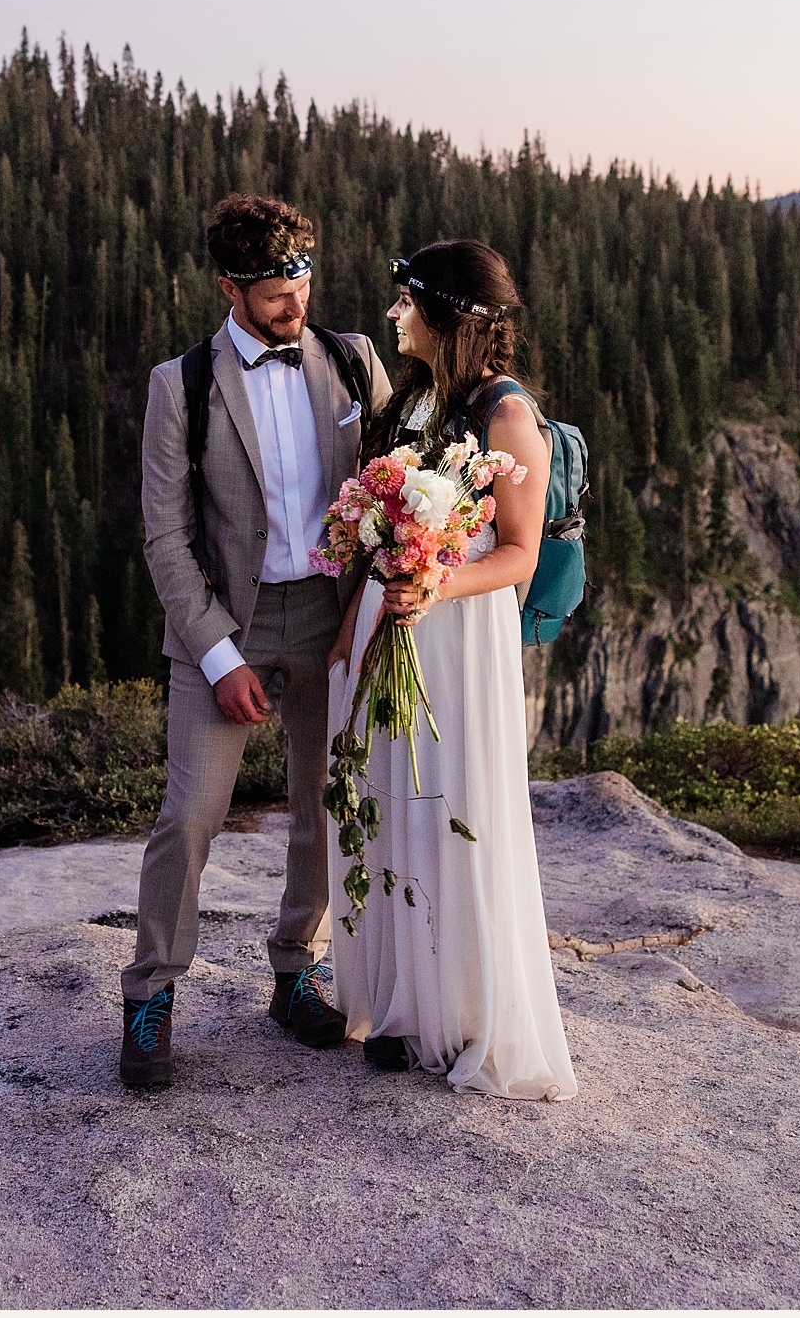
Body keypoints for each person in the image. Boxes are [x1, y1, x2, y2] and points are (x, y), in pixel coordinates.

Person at [123, 193, 391, 1091]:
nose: (295, 304)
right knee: (191, 813)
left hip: (330, 613)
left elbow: (399, 477)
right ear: (230, 285)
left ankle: (295, 967)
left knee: (322, 805)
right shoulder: (182, 383)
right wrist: (217, 654)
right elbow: (163, 535)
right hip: (225, 625)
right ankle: (152, 991)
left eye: (303, 281)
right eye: (277, 289)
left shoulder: (354, 364)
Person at [325, 239, 577, 1101]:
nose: (394, 314)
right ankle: (401, 1004)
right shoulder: (426, 399)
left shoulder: (509, 417)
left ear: (448, 315)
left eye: (407, 302)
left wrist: (435, 581)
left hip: (461, 640)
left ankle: (460, 1011)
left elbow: (516, 553)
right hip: (397, 626)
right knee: (395, 805)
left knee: (454, 808)